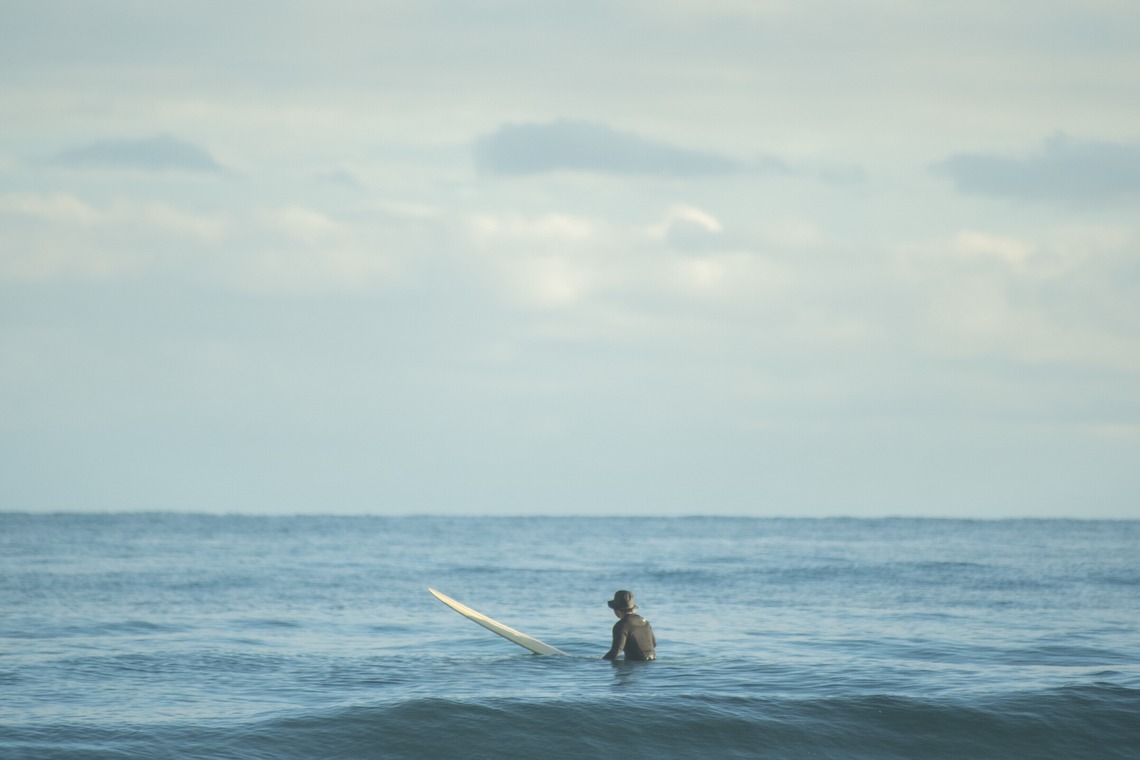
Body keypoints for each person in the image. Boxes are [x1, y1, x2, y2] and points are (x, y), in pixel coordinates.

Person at [603, 590, 656, 661]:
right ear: (633, 608)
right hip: (651, 663)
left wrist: (598, 662)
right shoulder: (645, 621)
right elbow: (654, 644)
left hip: (635, 665)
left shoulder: (621, 625)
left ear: (616, 609)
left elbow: (616, 652)